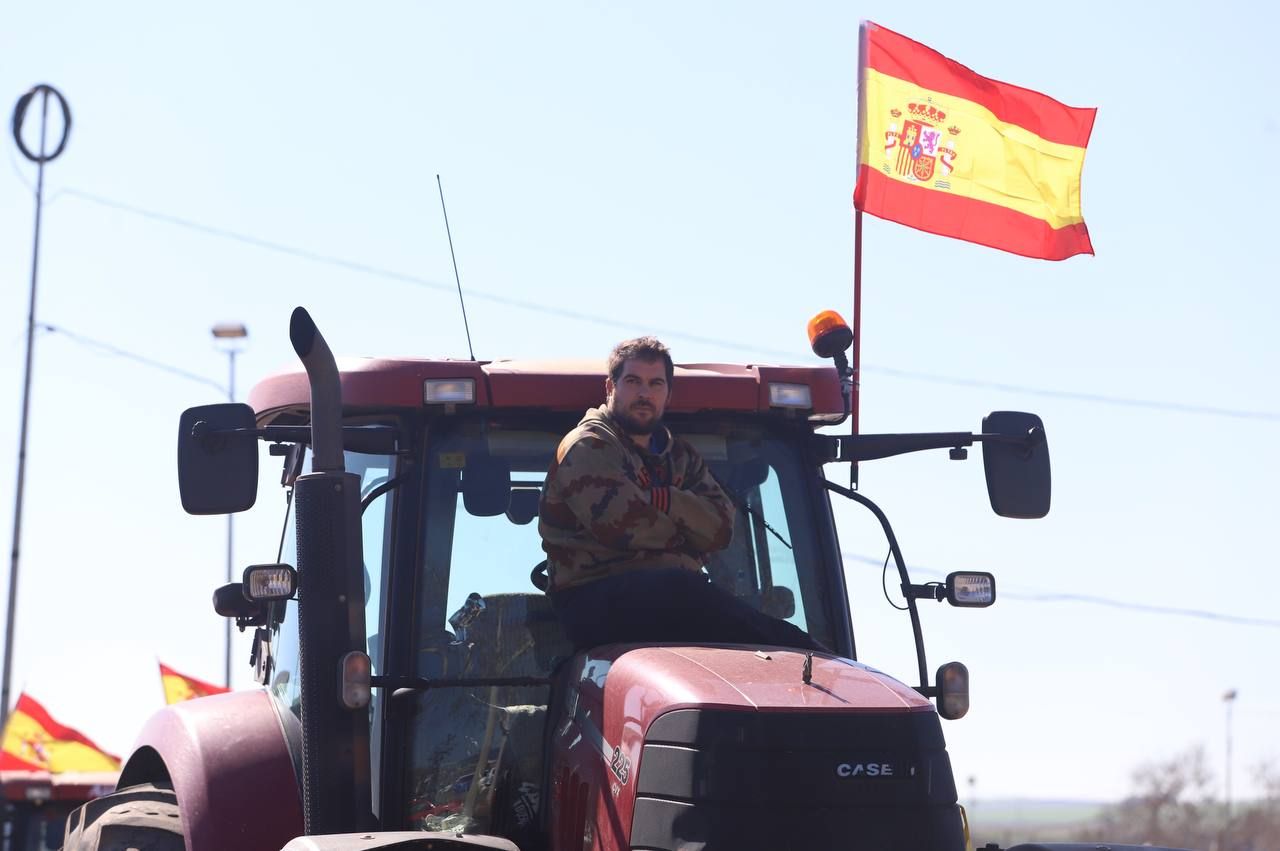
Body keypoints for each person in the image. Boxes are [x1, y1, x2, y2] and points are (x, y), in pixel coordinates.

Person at [537, 336, 824, 652]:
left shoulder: (680, 457)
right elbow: (626, 527)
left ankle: (803, 660)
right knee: (683, 589)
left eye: (655, 384)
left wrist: (667, 500)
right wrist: (689, 538)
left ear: (668, 394)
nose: (645, 393)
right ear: (610, 387)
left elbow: (722, 530)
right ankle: (806, 652)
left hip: (665, 599)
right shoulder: (588, 445)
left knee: (704, 609)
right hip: (593, 602)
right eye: (633, 381)